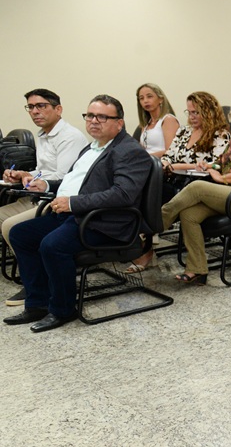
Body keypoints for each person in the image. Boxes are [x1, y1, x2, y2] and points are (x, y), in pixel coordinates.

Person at [5, 95, 153, 332]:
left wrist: (73, 203)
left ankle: (63, 309)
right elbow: (76, 181)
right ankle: (37, 304)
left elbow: (123, 195)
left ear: (119, 122)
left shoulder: (129, 151)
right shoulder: (92, 146)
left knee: (52, 245)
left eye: (102, 117)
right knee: (21, 234)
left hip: (103, 222)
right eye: (90, 116)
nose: (94, 121)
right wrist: (47, 186)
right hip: (77, 214)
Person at [159, 97, 231, 285]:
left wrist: (221, 178)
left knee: (196, 187)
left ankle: (156, 223)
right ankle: (197, 269)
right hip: (229, 193)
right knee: (188, 214)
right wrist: (209, 165)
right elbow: (220, 163)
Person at [2, 89, 89, 306]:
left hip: (56, 199)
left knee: (11, 227)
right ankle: (34, 276)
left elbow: (64, 177)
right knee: (1, 217)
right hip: (38, 195)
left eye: (41, 106)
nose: (35, 111)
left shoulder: (70, 137)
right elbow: (42, 170)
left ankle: (37, 281)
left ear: (58, 109)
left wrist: (33, 177)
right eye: (31, 107)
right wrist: (23, 174)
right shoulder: (43, 134)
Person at [140, 90, 230, 217]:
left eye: (196, 113)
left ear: (209, 113)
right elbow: (168, 156)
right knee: (143, 188)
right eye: (189, 112)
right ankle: (143, 228)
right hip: (173, 179)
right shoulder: (184, 131)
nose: (191, 117)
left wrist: (175, 167)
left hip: (196, 184)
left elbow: (215, 165)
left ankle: (147, 229)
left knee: (152, 194)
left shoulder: (220, 135)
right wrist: (166, 163)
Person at [134, 83, 180, 161]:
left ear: (160, 99)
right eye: (141, 98)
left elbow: (171, 151)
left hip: (161, 165)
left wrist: (144, 157)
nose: (145, 101)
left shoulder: (168, 120)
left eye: (149, 96)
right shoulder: (145, 124)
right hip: (146, 164)